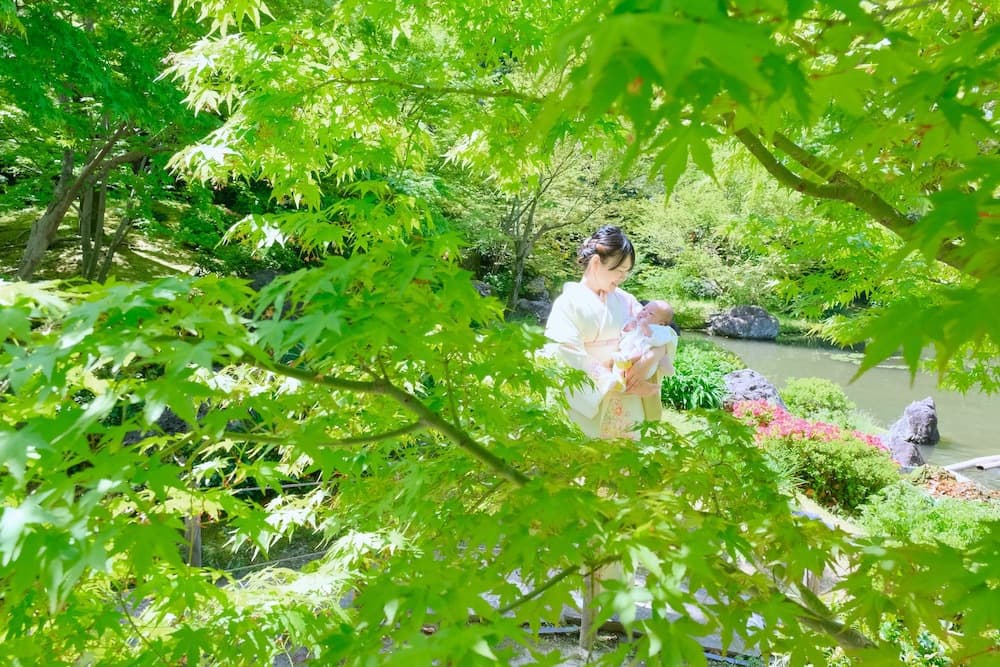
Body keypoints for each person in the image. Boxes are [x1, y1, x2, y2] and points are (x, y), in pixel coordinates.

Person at [543, 226, 673, 440]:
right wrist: (617, 382)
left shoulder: (627, 300)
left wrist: (654, 355)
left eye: (626, 272)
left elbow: (658, 333)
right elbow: (565, 353)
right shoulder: (568, 303)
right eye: (618, 271)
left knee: (626, 465)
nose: (623, 277)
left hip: (631, 399)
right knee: (587, 462)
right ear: (596, 263)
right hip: (594, 399)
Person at [611, 299, 678, 391]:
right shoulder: (634, 321)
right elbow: (623, 335)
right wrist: (627, 328)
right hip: (627, 358)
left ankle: (639, 385)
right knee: (619, 366)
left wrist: (646, 328)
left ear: (661, 323)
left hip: (643, 361)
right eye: (644, 309)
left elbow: (657, 341)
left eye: (651, 314)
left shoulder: (659, 330)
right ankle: (619, 381)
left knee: (637, 353)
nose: (645, 313)